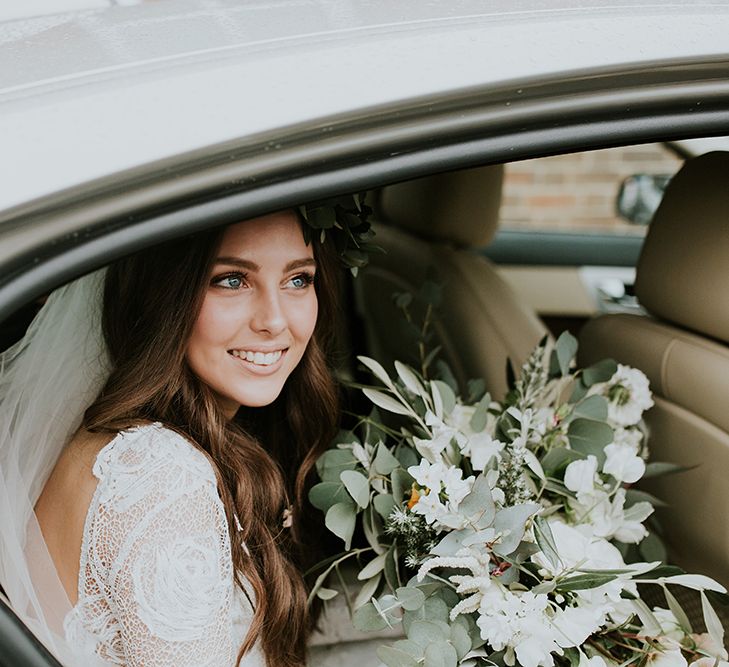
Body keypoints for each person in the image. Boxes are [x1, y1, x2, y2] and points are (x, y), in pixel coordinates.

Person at [0, 209, 344, 667]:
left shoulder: (124, 441)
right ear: (164, 295)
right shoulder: (163, 478)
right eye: (231, 280)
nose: (275, 320)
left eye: (298, 280)